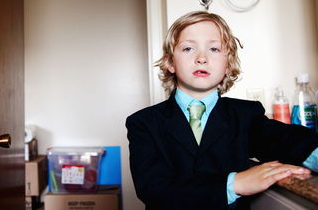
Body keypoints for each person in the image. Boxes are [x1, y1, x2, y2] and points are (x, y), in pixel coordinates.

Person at [126, 11, 318, 210]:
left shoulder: (245, 115)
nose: (202, 58)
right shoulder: (143, 123)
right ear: (170, 63)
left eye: (214, 49)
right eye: (188, 48)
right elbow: (154, 189)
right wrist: (234, 184)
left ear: (228, 65)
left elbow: (283, 138)